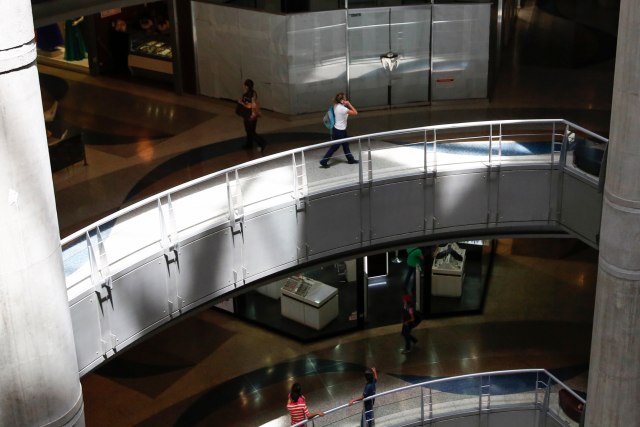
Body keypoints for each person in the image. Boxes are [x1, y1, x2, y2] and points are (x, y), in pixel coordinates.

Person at [319, 92, 359, 168]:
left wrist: (344, 103)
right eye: (345, 98)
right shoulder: (342, 109)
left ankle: (350, 159)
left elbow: (335, 102)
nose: (346, 99)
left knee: (345, 145)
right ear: (341, 101)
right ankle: (324, 161)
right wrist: (349, 104)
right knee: (335, 147)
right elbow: (355, 112)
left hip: (339, 129)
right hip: (339, 131)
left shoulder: (335, 105)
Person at [237, 79, 267, 152]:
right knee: (251, 130)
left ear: (246, 86)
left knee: (249, 131)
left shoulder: (247, 95)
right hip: (254, 115)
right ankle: (249, 144)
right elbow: (254, 103)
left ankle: (262, 142)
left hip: (249, 115)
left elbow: (249, 106)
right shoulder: (254, 93)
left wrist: (241, 102)